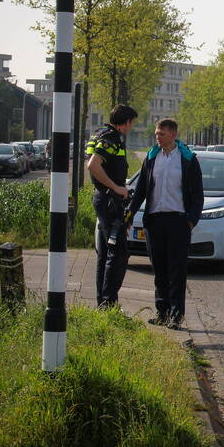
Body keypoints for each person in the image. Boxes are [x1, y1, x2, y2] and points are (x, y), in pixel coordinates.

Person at [127, 118, 203, 328]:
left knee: (177, 270)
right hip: (154, 220)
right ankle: (162, 312)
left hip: (178, 221)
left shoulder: (187, 159)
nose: (157, 137)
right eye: (157, 133)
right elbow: (142, 188)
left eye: (161, 134)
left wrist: (191, 220)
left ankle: (177, 316)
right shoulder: (152, 157)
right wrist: (131, 212)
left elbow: (197, 193)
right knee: (159, 269)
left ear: (173, 135)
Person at [86, 104, 137, 309]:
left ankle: (103, 302)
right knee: (118, 254)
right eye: (131, 123)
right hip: (109, 201)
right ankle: (108, 304)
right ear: (126, 122)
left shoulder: (98, 133)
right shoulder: (111, 137)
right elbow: (93, 165)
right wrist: (116, 187)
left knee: (106, 253)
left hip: (103, 198)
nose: (130, 128)